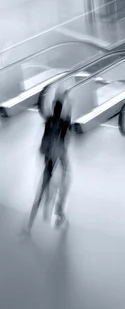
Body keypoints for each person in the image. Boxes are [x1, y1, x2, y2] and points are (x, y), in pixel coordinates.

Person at [25, 98, 71, 234]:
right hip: (57, 158)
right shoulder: (62, 123)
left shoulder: (50, 121)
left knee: (42, 192)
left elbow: (45, 140)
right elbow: (63, 139)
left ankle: (30, 226)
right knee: (61, 188)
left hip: (51, 160)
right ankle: (59, 213)